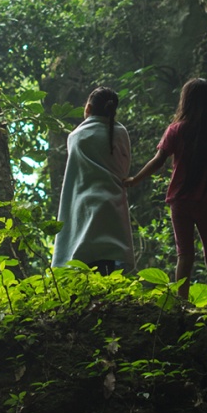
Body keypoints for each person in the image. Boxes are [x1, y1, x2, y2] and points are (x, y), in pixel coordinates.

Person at [124, 78, 207, 307]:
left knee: (185, 256)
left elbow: (158, 161)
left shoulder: (176, 130)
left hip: (180, 201)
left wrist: (135, 179)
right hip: (206, 201)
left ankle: (182, 306)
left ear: (187, 101)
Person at [51, 86, 134, 273]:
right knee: (110, 258)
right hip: (113, 204)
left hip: (84, 203)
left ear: (88, 108)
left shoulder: (76, 136)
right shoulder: (121, 133)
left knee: (85, 256)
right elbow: (124, 167)